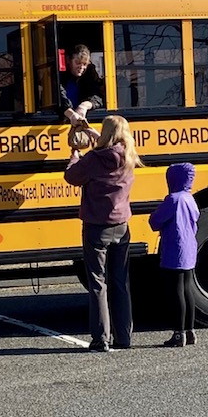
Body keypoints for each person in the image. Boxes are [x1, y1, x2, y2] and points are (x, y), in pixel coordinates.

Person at [64, 115, 144, 352]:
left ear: (106, 133)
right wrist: (94, 136)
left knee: (98, 282)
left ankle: (101, 339)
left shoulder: (93, 159)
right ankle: (124, 337)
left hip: (97, 227)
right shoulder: (129, 156)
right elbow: (111, 149)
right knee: (120, 282)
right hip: (122, 226)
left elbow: (72, 177)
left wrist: (74, 157)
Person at [149, 163, 200, 348]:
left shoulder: (173, 199)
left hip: (174, 248)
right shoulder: (189, 198)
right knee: (187, 289)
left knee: (175, 290)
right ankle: (190, 331)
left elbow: (155, 221)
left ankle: (178, 333)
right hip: (189, 248)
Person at [60, 44, 104, 126]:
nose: (81, 67)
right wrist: (71, 114)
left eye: (84, 64)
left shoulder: (90, 75)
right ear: (68, 60)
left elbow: (98, 95)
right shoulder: (60, 76)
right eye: (77, 63)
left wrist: (84, 106)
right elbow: (58, 96)